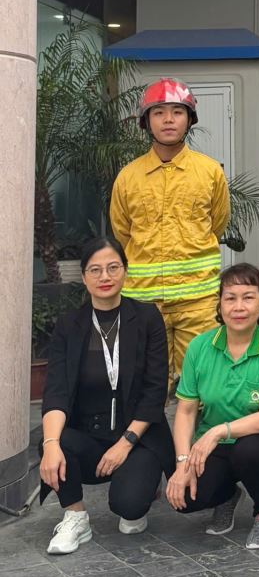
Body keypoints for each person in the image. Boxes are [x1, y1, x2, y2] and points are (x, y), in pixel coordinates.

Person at [39, 237, 174, 554]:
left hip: (137, 437)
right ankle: (75, 516)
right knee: (55, 439)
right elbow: (56, 390)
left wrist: (124, 444)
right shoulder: (69, 326)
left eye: (113, 267)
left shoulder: (146, 318)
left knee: (129, 508)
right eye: (95, 270)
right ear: (83, 276)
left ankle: (144, 488)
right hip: (89, 436)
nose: (105, 276)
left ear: (125, 271)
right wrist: (50, 445)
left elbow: (155, 391)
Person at [110, 77, 230, 386]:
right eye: (159, 112)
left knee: (203, 385)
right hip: (144, 302)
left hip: (198, 300)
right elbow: (123, 233)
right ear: (146, 121)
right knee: (146, 387)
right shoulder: (128, 177)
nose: (168, 119)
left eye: (177, 112)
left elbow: (217, 224)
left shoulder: (210, 172)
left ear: (189, 119)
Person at [166, 263, 259, 550]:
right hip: (215, 445)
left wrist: (219, 431)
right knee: (185, 498)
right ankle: (227, 496)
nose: (239, 307)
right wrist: (182, 463)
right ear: (220, 305)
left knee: (250, 451)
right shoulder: (199, 347)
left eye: (248, 297)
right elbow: (185, 411)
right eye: (230, 298)